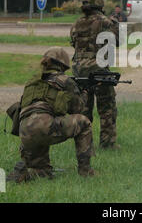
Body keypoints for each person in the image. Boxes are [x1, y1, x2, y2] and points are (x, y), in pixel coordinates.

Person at [6, 47, 95, 183]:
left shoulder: (33, 81)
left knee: (42, 173)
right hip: (44, 127)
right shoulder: (65, 80)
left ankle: (23, 175)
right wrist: (84, 93)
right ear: (62, 65)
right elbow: (78, 109)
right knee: (83, 122)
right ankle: (86, 172)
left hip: (25, 132)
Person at [70, 0, 120, 150]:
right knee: (107, 108)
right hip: (99, 71)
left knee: (84, 109)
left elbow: (73, 43)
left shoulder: (76, 24)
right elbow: (117, 42)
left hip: (79, 72)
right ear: (100, 3)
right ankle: (107, 143)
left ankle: (84, 143)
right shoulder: (106, 22)